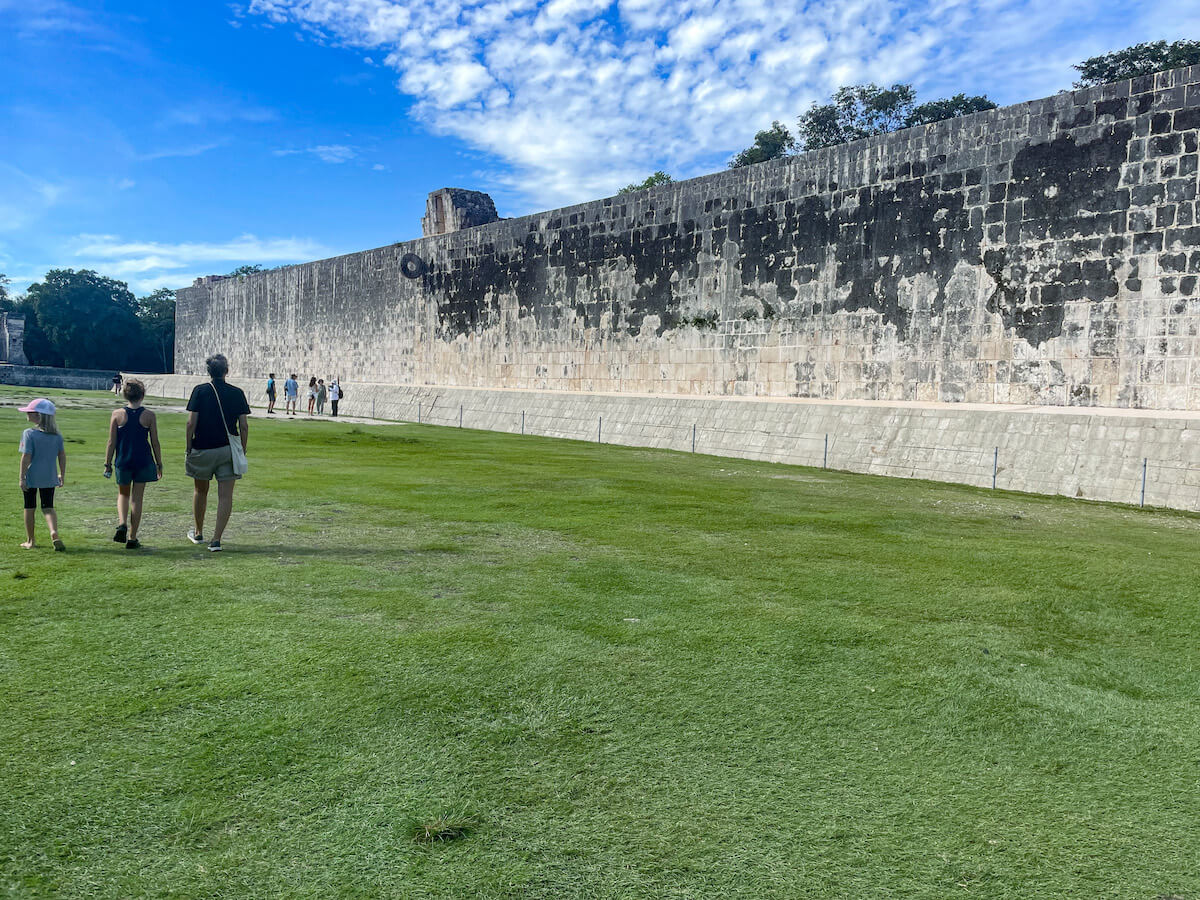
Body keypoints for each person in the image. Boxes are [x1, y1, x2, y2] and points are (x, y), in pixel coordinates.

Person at [184, 354, 250, 552]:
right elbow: (244, 426)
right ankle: (217, 539)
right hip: (227, 449)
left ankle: (198, 532)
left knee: (200, 490)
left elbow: (190, 423)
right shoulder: (237, 393)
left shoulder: (200, 391)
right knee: (225, 496)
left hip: (202, 447)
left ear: (208, 371)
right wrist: (241, 450)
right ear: (226, 371)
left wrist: (189, 446)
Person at [104, 378, 163, 550]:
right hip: (143, 461)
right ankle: (132, 537)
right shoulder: (149, 416)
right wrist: (159, 463)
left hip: (123, 460)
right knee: (137, 499)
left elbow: (111, 442)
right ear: (142, 395)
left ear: (125, 395)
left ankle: (122, 523)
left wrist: (107, 463)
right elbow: (155, 442)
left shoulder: (117, 415)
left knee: (123, 494)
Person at [17, 398, 66, 551]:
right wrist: (61, 475)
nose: (27, 414)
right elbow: (62, 456)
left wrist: (22, 478)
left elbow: (26, 458)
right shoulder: (56, 436)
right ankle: (54, 532)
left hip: (32, 476)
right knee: (48, 507)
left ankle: (31, 540)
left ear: (38, 415)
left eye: (30, 412)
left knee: (29, 507)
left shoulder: (29, 434)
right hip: (49, 476)